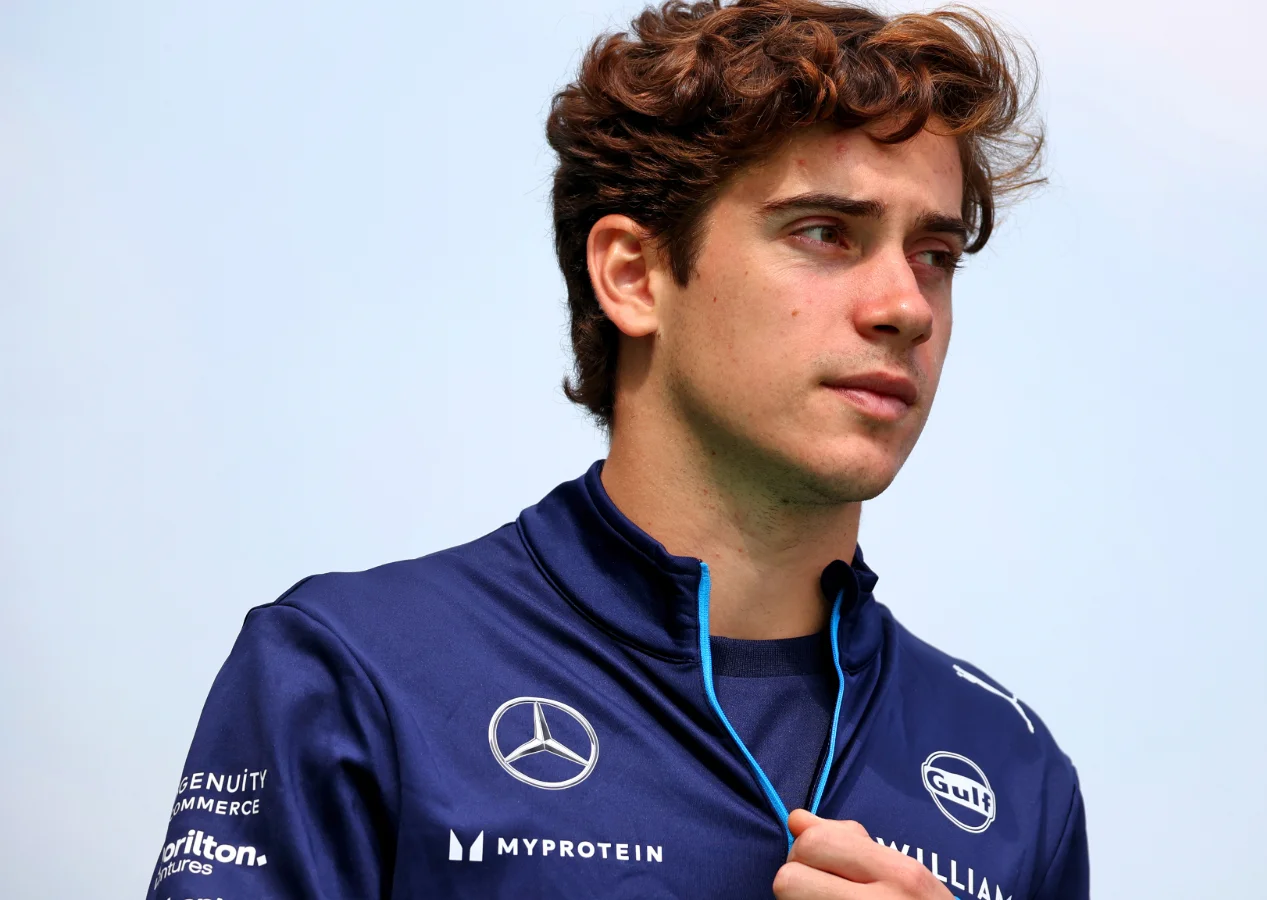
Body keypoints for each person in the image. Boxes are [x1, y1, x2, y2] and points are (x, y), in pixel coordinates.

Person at [147, 1, 1088, 897]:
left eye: (935, 255)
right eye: (824, 233)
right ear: (633, 276)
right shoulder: (352, 671)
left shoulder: (1017, 775)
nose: (906, 307)